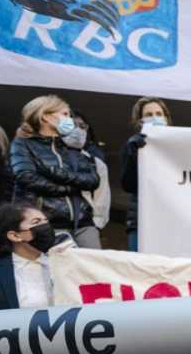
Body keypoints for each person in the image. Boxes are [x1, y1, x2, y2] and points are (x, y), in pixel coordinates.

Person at [9, 95, 101, 248]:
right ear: (45, 117)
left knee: (95, 269)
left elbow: (92, 180)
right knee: (60, 270)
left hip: (83, 222)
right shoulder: (23, 144)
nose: (69, 119)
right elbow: (26, 177)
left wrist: (56, 173)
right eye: (65, 114)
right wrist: (67, 188)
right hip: (47, 224)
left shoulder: (71, 146)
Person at [0, 203, 62, 354]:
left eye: (46, 221)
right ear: (15, 235)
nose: (45, 227)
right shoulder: (2, 271)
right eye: (36, 222)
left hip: (64, 352)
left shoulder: (65, 261)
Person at [120, 97, 171, 252]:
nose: (154, 117)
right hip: (141, 221)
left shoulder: (179, 146)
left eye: (158, 113)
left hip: (172, 219)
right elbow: (128, 185)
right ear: (140, 121)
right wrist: (132, 154)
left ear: (167, 119)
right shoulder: (132, 145)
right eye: (148, 114)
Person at [70, 111, 110, 244]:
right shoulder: (49, 159)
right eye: (72, 125)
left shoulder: (96, 163)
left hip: (86, 225)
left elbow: (102, 197)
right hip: (54, 224)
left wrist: (96, 224)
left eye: (82, 126)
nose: (78, 129)